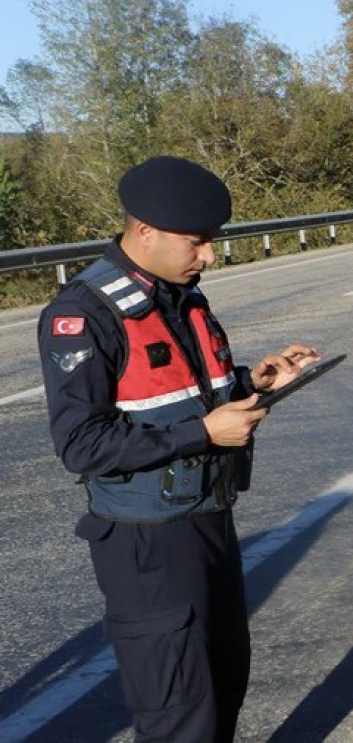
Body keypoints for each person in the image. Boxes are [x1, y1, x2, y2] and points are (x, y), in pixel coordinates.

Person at [38, 155, 318, 743]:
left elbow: (184, 394)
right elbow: (81, 444)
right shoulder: (83, 313)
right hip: (149, 543)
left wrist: (252, 383)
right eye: (197, 243)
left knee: (223, 684)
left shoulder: (181, 294)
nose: (209, 256)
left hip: (208, 520)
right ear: (145, 231)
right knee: (177, 711)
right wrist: (204, 434)